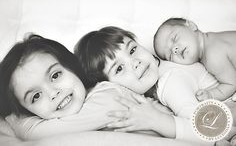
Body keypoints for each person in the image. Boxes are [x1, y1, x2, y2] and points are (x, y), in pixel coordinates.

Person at [0, 34, 172, 141]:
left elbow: (34, 133)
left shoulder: (108, 96)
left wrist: (12, 117)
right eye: (36, 97)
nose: (53, 93)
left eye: (55, 75)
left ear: (72, 68)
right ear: (27, 110)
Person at [74, 26, 218, 144]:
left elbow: (209, 133)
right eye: (119, 68)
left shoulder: (170, 82)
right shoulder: (165, 71)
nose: (135, 62)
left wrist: (157, 121)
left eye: (132, 50)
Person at [153, 17, 236, 102]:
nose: (175, 49)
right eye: (170, 55)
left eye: (174, 38)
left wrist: (210, 94)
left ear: (191, 26)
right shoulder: (212, 38)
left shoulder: (212, 57)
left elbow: (231, 84)